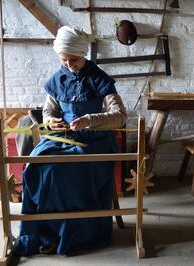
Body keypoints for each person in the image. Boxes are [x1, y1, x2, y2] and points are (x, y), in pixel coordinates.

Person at [13, 26, 127, 256]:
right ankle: (43, 233)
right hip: (62, 136)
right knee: (35, 164)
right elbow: (48, 112)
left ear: (82, 54)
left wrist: (89, 120)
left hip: (94, 140)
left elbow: (121, 117)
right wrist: (52, 121)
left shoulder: (100, 80)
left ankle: (70, 235)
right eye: (63, 60)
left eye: (73, 59)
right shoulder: (57, 80)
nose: (68, 64)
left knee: (62, 170)